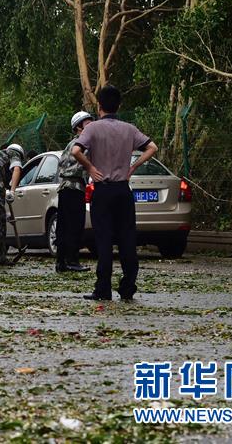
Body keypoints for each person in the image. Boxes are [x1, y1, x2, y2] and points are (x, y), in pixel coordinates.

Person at [72, 85, 158, 301]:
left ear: (99, 106)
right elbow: (152, 148)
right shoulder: (129, 129)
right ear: (118, 105)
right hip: (123, 190)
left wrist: (91, 168)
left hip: (102, 190)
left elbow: (76, 150)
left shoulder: (93, 129)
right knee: (127, 238)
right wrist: (133, 167)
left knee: (104, 239)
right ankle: (128, 286)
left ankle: (103, 289)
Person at [55, 112, 94, 273]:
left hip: (65, 188)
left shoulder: (71, 143)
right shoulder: (82, 144)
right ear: (79, 127)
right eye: (87, 122)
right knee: (74, 225)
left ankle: (61, 262)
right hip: (74, 187)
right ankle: (72, 261)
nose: (91, 124)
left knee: (63, 226)